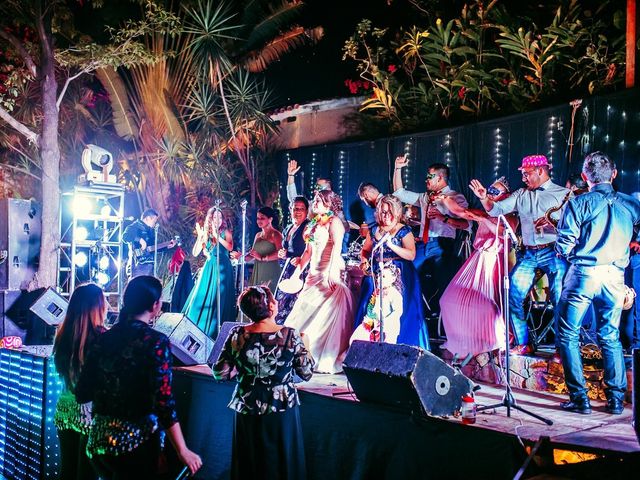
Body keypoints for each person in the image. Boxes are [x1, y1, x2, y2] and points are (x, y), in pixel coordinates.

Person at [75, 276, 202, 479]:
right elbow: (164, 403)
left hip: (100, 443)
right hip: (137, 444)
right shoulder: (156, 342)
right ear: (155, 305)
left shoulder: (103, 338)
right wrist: (182, 450)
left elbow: (82, 393)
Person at [555, 152, 640, 415]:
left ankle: (580, 400)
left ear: (584, 177)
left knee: (568, 335)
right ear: (614, 175)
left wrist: (579, 255)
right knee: (610, 336)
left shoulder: (578, 203)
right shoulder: (631, 204)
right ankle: (615, 400)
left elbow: (564, 245)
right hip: (615, 276)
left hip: (584, 273)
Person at [469, 154, 570, 354]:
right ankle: (525, 343)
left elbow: (576, 227)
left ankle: (561, 348)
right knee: (513, 294)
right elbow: (495, 210)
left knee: (559, 298)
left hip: (554, 251)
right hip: (530, 254)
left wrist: (554, 224)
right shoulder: (521, 194)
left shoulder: (564, 194)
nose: (523, 178)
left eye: (527, 174)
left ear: (540, 171)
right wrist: (484, 198)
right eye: (523, 174)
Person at [212, 286, 314, 480]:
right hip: (281, 406)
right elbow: (307, 372)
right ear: (271, 306)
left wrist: (242, 368)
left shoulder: (237, 334)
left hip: (246, 403)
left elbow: (220, 373)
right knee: (282, 462)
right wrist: (306, 345)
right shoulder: (291, 335)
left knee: (249, 462)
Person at [437, 178, 518, 358]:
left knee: (489, 306)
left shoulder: (510, 217)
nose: (490, 194)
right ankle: (465, 339)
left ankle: (495, 340)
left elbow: (503, 233)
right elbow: (460, 211)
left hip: (495, 261)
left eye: (495, 192)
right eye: (490, 190)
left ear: (505, 197)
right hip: (478, 259)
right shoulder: (482, 213)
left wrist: (483, 219)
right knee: (448, 299)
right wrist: (445, 199)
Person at [393, 155, 469, 324]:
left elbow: (466, 224)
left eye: (429, 176)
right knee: (404, 274)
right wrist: (398, 168)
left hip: (443, 245)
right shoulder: (425, 197)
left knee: (445, 286)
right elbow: (399, 193)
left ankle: (447, 326)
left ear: (440, 178)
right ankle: (408, 318)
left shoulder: (455, 197)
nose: (426, 180)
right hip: (423, 244)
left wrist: (444, 219)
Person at [285, 190, 354, 373]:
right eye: (314, 199)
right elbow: (307, 252)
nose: (314, 202)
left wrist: (331, 274)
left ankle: (316, 355)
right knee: (301, 311)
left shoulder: (335, 222)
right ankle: (296, 354)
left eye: (319, 200)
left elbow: (337, 249)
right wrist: (297, 273)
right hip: (312, 274)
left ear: (329, 204)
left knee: (322, 316)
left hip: (327, 273)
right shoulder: (313, 223)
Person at [354, 195, 430, 349]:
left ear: (396, 213)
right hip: (376, 273)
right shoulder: (374, 229)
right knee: (370, 309)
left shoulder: (403, 230)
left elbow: (411, 254)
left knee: (398, 312)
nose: (386, 216)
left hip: (399, 273)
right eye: (382, 212)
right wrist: (364, 260)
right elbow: (366, 250)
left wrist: (391, 245)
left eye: (389, 212)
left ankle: (400, 347)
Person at [53, 283, 107, 480]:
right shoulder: (102, 337)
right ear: (97, 307)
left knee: (67, 470)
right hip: (89, 413)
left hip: (65, 409)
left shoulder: (62, 335)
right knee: (87, 474)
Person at [182, 207, 236, 338]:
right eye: (215, 217)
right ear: (210, 219)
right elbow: (195, 253)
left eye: (220, 217)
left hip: (223, 267)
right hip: (210, 267)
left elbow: (230, 247)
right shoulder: (206, 233)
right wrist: (200, 237)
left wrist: (218, 236)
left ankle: (217, 333)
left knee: (220, 299)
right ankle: (196, 330)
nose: (218, 220)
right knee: (200, 297)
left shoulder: (226, 232)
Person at [275, 196, 310, 324]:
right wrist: (282, 253)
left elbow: (311, 250)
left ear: (306, 211)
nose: (298, 212)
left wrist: (300, 259)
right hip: (287, 270)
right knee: (280, 302)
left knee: (292, 305)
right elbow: (286, 249)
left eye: (301, 209)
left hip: (301, 271)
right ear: (290, 210)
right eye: (295, 208)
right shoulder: (288, 228)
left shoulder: (308, 228)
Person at [233, 207, 283, 289]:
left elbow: (280, 253)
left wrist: (263, 258)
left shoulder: (276, 234)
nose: (259, 221)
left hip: (271, 272)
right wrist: (241, 256)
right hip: (258, 271)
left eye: (262, 218)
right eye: (258, 218)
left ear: (270, 219)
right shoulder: (258, 235)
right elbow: (252, 255)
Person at [123, 209, 176, 278]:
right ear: (147, 218)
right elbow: (125, 237)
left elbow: (152, 248)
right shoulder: (134, 226)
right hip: (137, 265)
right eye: (154, 221)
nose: (155, 224)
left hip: (149, 266)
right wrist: (139, 240)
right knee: (137, 286)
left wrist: (167, 246)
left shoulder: (150, 231)